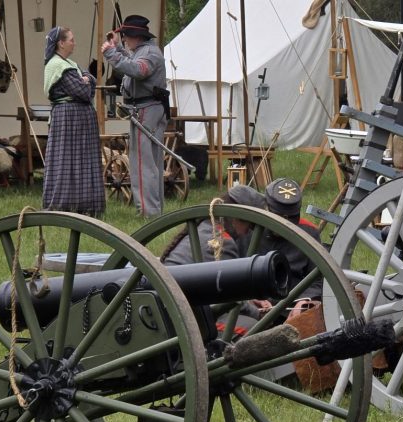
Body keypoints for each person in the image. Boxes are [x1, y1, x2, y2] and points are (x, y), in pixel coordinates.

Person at [101, 15, 168, 218]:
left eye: (125, 37)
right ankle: (152, 209)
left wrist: (112, 54)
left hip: (147, 110)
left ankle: (148, 211)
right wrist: (117, 50)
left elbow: (137, 69)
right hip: (147, 109)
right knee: (149, 163)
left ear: (135, 36)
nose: (124, 40)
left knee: (142, 164)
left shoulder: (150, 54)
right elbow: (132, 61)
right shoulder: (146, 51)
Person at [41, 27, 105, 217]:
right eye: (71, 39)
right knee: (67, 160)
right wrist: (85, 82)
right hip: (68, 118)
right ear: (61, 43)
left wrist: (87, 80)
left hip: (79, 118)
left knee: (82, 160)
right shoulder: (57, 65)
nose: (74, 42)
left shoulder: (69, 63)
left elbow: (90, 81)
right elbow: (84, 92)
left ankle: (84, 204)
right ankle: (63, 205)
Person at [161, 185, 265, 266]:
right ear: (235, 218)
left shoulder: (203, 226)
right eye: (250, 226)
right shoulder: (224, 244)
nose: (247, 232)